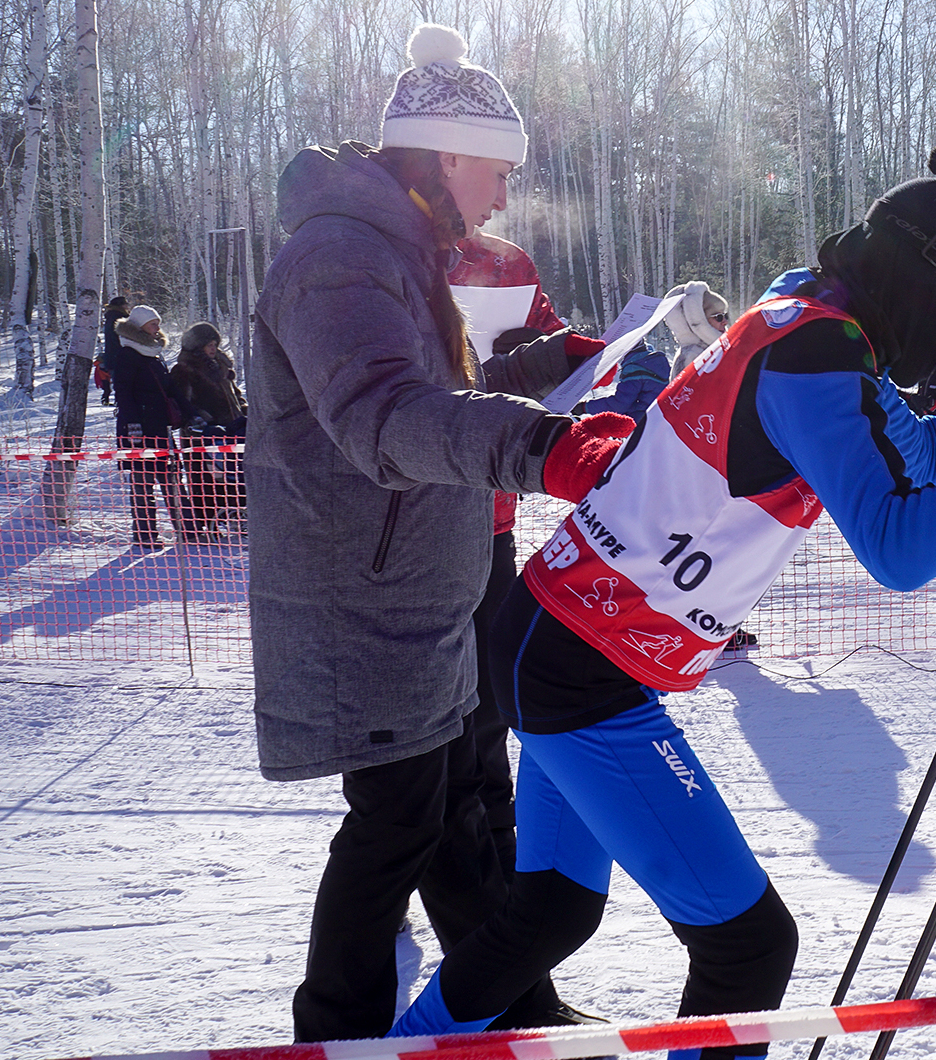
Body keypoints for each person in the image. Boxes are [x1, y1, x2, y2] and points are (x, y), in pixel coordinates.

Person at [385, 134, 936, 1060]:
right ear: (925, 273)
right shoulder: (819, 352)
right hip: (581, 671)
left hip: (562, 638)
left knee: (554, 909)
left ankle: (394, 1050)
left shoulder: (814, 317)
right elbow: (898, 542)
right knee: (749, 948)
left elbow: (923, 453)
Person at [247, 22, 609, 1043]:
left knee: (452, 810)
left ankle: (498, 1002)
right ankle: (340, 1028)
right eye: (497, 172)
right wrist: (541, 447)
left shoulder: (390, 250)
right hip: (358, 600)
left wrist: (539, 371)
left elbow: (428, 397)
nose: (503, 196)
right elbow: (380, 418)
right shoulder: (335, 258)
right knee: (399, 823)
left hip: (416, 586)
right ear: (446, 155)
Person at [447, 228, 570, 877]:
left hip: (492, 519)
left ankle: (496, 850)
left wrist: (562, 356)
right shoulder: (384, 250)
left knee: (490, 701)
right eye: (495, 175)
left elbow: (559, 348)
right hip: (412, 524)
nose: (502, 198)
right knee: (421, 717)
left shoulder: (508, 261)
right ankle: (406, 867)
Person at [113, 305, 202, 547]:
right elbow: (123, 393)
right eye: (153, 323)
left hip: (160, 429)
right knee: (143, 484)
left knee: (172, 479)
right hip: (139, 431)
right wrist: (133, 427)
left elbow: (170, 390)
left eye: (158, 322)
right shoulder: (127, 355)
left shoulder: (152, 353)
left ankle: (189, 531)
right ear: (140, 327)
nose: (157, 327)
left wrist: (190, 414)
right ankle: (144, 535)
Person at [586, 281, 729, 421]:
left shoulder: (704, 352)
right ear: (698, 319)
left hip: (643, 426)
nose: (725, 322)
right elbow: (690, 410)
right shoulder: (693, 355)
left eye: (725, 315)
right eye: (719, 317)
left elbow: (620, 404)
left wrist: (585, 408)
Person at [170, 322, 247, 537]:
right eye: (207, 345)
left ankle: (236, 517)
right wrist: (202, 421)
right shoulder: (184, 370)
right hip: (203, 437)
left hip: (232, 433)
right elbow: (182, 403)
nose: (212, 348)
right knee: (206, 481)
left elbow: (235, 395)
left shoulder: (221, 365)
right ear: (197, 346)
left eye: (214, 344)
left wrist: (246, 412)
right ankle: (207, 521)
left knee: (234, 478)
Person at [96, 295, 130, 405]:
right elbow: (119, 340)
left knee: (119, 385)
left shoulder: (111, 317)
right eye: (126, 304)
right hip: (120, 358)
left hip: (113, 358)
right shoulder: (119, 319)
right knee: (124, 386)